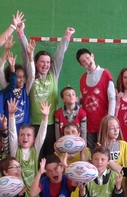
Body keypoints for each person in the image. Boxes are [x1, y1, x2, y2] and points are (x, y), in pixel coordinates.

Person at [17, 10, 75, 158]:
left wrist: (66, 36)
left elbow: (60, 55)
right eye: (42, 61)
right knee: (36, 155)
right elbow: (26, 54)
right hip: (34, 123)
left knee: (51, 156)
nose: (45, 64)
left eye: (48, 62)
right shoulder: (30, 75)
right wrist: (21, 34)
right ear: (36, 63)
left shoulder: (53, 74)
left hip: (51, 123)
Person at [8, 98, 50, 197]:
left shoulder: (35, 150)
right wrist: (11, 115)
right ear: (18, 138)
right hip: (18, 195)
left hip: (33, 196)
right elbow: (12, 133)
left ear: (34, 140)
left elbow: (42, 134)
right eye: (22, 135)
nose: (25, 137)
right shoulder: (15, 151)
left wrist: (45, 117)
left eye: (28, 135)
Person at [76, 48, 116, 150]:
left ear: (92, 56)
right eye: (83, 61)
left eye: (87, 58)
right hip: (89, 125)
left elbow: (112, 98)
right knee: (91, 154)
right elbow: (82, 100)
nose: (87, 62)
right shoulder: (82, 78)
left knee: (104, 153)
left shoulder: (105, 73)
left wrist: (109, 119)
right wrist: (74, 99)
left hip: (103, 124)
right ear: (81, 65)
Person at [0, 35, 35, 132]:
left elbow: (32, 75)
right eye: (18, 77)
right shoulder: (7, 89)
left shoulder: (26, 90)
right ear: (11, 77)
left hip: (25, 132)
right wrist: (6, 51)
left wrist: (30, 57)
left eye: (23, 77)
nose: (22, 80)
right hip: (10, 131)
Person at [97, 116, 127, 197]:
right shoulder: (100, 147)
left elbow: (126, 166)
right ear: (105, 130)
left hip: (120, 183)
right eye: (112, 128)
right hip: (105, 186)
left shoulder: (123, 145)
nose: (116, 130)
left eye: (117, 127)